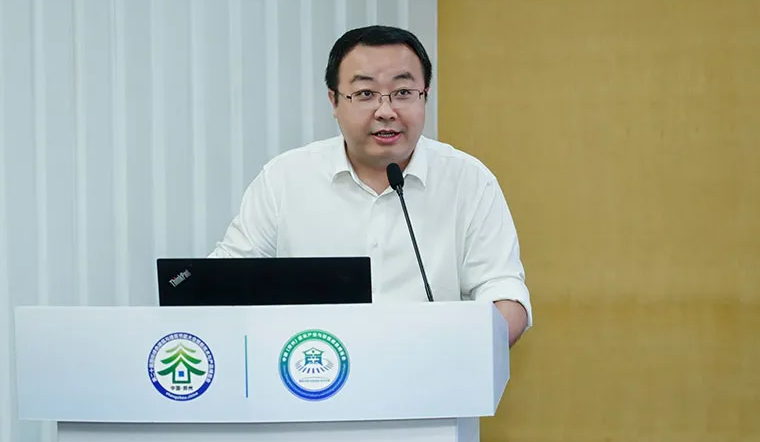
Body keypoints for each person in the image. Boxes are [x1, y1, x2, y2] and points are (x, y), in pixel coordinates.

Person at [210, 25, 532, 346]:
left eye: (403, 93)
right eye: (365, 94)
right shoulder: (284, 180)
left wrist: (462, 352)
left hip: (432, 370)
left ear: (425, 96)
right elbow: (221, 283)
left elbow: (504, 294)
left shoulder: (469, 182)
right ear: (334, 101)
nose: (386, 111)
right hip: (314, 370)